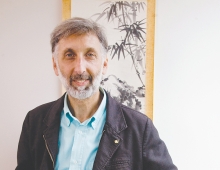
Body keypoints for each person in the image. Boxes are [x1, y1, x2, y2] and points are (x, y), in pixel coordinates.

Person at [16, 17, 177, 170]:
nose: (80, 69)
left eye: (90, 55)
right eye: (69, 55)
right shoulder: (34, 122)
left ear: (104, 64)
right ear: (55, 65)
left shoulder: (140, 128)